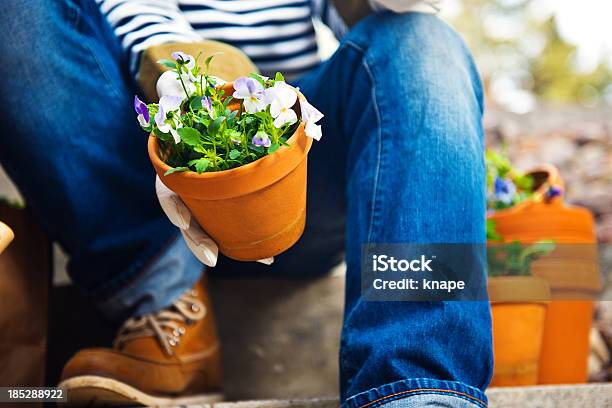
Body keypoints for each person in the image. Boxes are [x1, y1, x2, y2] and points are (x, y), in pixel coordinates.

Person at [0, 0, 493, 406]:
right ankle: (167, 306)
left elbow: (365, 25)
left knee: (424, 44)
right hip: (142, 193)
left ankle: (416, 384)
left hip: (291, 193)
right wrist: (188, 85)